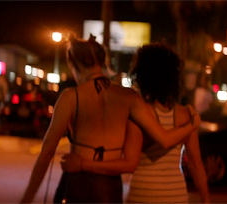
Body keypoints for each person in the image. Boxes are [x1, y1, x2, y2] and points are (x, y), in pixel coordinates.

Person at [19, 35, 200, 204]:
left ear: (73, 64)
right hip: (111, 186)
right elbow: (165, 139)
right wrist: (192, 125)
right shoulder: (128, 97)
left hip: (78, 182)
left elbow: (47, 152)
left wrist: (27, 197)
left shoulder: (71, 96)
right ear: (103, 60)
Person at [62, 43, 211, 204]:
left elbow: (128, 162)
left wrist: (82, 164)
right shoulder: (186, 115)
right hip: (176, 196)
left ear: (141, 74)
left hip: (143, 195)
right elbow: (196, 164)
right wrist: (205, 199)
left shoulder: (137, 113)